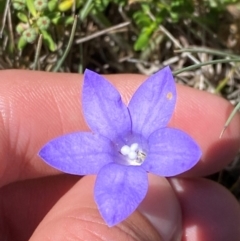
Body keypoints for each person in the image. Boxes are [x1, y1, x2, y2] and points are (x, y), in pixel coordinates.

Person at [0, 70, 239, 241]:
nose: (132, 152)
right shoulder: (95, 151)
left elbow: (186, 153)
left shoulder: (157, 125)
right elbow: (64, 155)